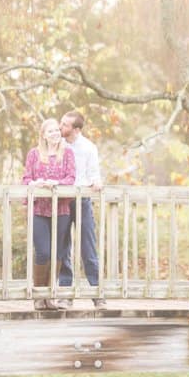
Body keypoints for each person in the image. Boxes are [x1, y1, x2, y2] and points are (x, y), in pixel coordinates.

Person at [22, 117, 76, 311]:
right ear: (43, 135)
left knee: (58, 253)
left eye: (56, 130)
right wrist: (34, 184)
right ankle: (39, 296)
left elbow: (71, 178)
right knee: (43, 251)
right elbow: (26, 178)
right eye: (50, 131)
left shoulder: (67, 153)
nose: (55, 133)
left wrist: (56, 184)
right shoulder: (34, 154)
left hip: (60, 209)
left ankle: (50, 297)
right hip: (39, 208)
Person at [58, 110, 105, 309]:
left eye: (65, 125)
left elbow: (94, 172)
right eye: (61, 123)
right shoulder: (57, 145)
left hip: (83, 198)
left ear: (76, 129)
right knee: (62, 246)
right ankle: (65, 294)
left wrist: (97, 181)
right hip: (62, 199)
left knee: (88, 245)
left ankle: (97, 293)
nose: (61, 128)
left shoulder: (88, 147)